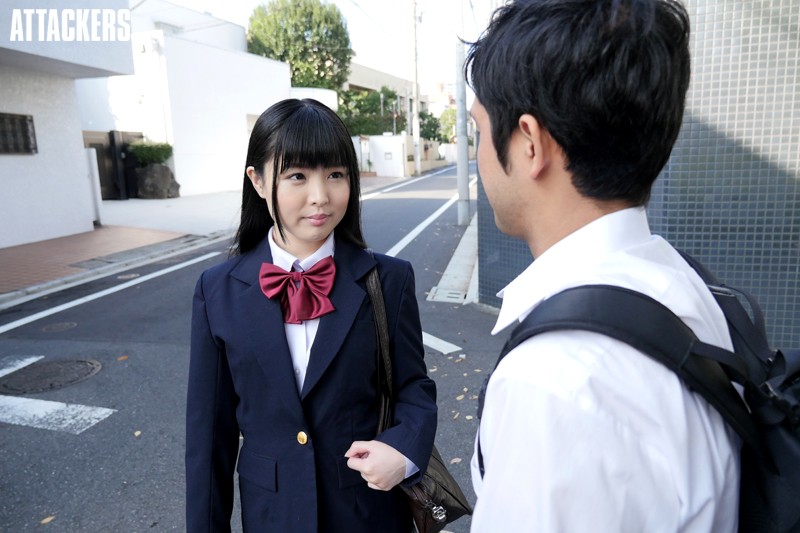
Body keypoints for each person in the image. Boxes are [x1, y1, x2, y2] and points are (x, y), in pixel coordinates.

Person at [465, 1, 740, 531]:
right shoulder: (686, 287)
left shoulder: (555, 384)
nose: (478, 156)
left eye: (479, 131)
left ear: (529, 143)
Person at [185, 98, 437, 532]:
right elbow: (210, 435)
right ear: (258, 181)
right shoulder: (218, 290)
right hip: (272, 517)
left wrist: (402, 449)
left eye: (335, 175)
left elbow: (413, 386)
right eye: (297, 176)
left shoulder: (388, 280)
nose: (320, 196)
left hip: (369, 514)